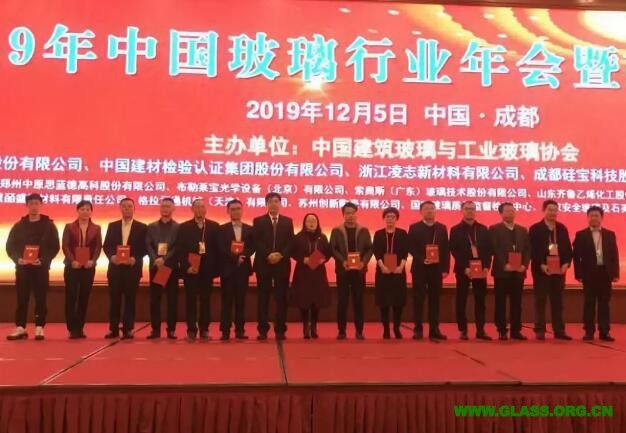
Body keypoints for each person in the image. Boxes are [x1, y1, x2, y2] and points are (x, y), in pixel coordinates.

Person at [6, 193, 60, 340]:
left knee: (40, 298)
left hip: (40, 268)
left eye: (37, 203)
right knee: (22, 298)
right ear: (27, 205)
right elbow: (10, 246)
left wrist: (43, 260)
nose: (34, 206)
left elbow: (54, 247)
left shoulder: (49, 225)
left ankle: (39, 327)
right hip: (23, 268)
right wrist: (18, 259)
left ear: (41, 205)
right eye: (31, 203)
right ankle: (20, 327)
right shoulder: (19, 226)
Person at [103, 197, 148, 339]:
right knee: (114, 300)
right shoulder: (112, 226)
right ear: (120, 208)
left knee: (130, 300)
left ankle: (128, 328)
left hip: (132, 269)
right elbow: (107, 245)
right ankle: (113, 329)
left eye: (130, 206)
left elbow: (145, 247)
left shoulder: (142, 227)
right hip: (115, 269)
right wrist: (112, 257)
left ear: (134, 209)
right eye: (124, 206)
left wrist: (135, 258)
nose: (127, 209)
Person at [573, 206, 619, 342]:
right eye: (591, 215)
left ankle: (604, 332)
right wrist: (578, 274)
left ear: (601, 217)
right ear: (588, 218)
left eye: (596, 215)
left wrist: (615, 273)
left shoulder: (610, 234)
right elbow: (576, 257)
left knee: (604, 303)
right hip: (589, 274)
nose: (594, 218)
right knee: (589, 303)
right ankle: (589, 331)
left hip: (605, 273)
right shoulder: (581, 235)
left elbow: (614, 255)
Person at [253, 192, 295, 341]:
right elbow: (256, 241)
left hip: (282, 264)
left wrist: (280, 255)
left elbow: (290, 242)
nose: (273, 204)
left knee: (281, 298)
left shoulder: (288, 222)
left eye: (276, 201)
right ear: (267, 204)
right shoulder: (258, 221)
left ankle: (280, 329)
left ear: (280, 204)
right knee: (263, 298)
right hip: (263, 264)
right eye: (271, 201)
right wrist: (268, 255)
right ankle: (262, 330)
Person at [529, 199, 573, 340]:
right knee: (540, 301)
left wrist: (566, 263)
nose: (552, 213)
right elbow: (532, 250)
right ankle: (539, 330)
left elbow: (568, 249)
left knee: (558, 302)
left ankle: (559, 330)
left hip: (558, 271)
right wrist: (542, 265)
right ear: (544, 211)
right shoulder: (535, 228)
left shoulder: (562, 228)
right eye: (550, 210)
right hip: (541, 270)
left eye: (555, 210)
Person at [176, 198, 219, 341]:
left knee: (206, 300)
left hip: (207, 270)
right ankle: (191, 330)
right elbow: (180, 249)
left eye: (202, 207)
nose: (200, 209)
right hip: (191, 269)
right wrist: (186, 267)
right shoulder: (184, 227)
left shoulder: (214, 226)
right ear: (192, 209)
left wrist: (214, 267)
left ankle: (204, 329)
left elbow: (217, 249)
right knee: (191, 300)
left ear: (205, 209)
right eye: (197, 207)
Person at [449, 201, 493, 340]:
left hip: (480, 269)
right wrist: (465, 268)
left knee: (480, 300)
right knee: (461, 300)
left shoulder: (483, 229)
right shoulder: (455, 229)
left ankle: (480, 330)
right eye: (467, 209)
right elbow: (454, 250)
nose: (470, 211)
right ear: (462, 211)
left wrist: (486, 267)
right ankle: (463, 330)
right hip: (463, 270)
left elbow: (488, 250)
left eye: (472, 209)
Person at [329, 202, 372, 340]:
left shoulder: (363, 230)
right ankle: (341, 331)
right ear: (343, 215)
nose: (350, 216)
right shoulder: (336, 231)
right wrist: (343, 261)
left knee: (358, 302)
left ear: (356, 214)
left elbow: (369, 249)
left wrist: (363, 262)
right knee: (342, 301)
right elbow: (333, 249)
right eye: (347, 213)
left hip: (359, 272)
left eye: (352, 213)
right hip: (343, 271)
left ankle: (359, 331)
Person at [408, 201, 449, 340]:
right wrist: (422, 259)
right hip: (419, 268)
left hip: (436, 269)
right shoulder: (414, 227)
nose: (429, 211)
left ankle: (434, 329)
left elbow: (445, 249)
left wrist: (445, 268)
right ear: (421, 211)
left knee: (435, 300)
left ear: (435, 211)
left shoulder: (442, 228)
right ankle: (418, 329)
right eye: (426, 209)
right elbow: (411, 247)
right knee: (418, 299)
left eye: (432, 208)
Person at [489, 202, 530, 340]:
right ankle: (501, 329)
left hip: (518, 272)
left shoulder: (522, 230)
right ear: (501, 213)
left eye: (512, 211)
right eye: (507, 211)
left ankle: (516, 330)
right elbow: (495, 249)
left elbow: (527, 249)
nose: (510, 214)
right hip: (502, 272)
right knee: (500, 302)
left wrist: (524, 265)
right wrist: (504, 264)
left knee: (517, 303)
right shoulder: (494, 229)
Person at [62, 200, 102, 339]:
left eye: (88, 209)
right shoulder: (69, 227)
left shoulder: (96, 228)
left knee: (84, 297)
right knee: (71, 296)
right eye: (82, 209)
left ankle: (80, 327)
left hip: (88, 267)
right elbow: (65, 246)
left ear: (91, 212)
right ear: (77, 211)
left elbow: (98, 247)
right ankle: (71, 327)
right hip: (72, 266)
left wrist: (93, 260)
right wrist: (72, 260)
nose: (85, 212)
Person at [217, 199, 255, 340]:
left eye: (238, 209)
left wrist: (243, 256)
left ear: (242, 210)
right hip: (227, 269)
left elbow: (252, 246)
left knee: (241, 301)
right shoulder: (222, 229)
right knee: (226, 302)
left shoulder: (249, 229)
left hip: (243, 269)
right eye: (233, 209)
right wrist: (234, 258)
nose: (236, 211)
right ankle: (225, 331)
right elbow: (220, 248)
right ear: (228, 211)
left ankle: (240, 330)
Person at [290, 213, 332, 339]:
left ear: (317, 223)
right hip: (303, 272)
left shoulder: (322, 237)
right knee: (304, 300)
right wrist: (303, 259)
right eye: (309, 220)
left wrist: (323, 259)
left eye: (314, 220)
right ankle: (305, 326)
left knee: (316, 300)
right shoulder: (298, 237)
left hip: (318, 272)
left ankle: (313, 326)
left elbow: (328, 252)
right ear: (304, 223)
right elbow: (293, 252)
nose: (311, 223)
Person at [145, 197, 180, 340]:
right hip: (156, 267)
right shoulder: (151, 226)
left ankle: (171, 330)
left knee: (172, 300)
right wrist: (156, 259)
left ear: (173, 208)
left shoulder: (178, 227)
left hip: (170, 267)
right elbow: (148, 245)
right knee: (155, 299)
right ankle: (155, 329)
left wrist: (164, 259)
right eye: (163, 206)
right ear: (160, 208)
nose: (165, 209)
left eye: (168, 206)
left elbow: (177, 247)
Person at [372, 207, 409, 339]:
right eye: (387, 217)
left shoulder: (402, 233)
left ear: (396, 219)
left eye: (393, 217)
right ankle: (386, 329)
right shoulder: (378, 234)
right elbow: (376, 252)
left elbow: (405, 252)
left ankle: (396, 328)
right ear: (384, 218)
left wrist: (401, 267)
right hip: (383, 272)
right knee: (384, 303)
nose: (390, 219)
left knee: (398, 302)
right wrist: (382, 266)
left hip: (398, 272)